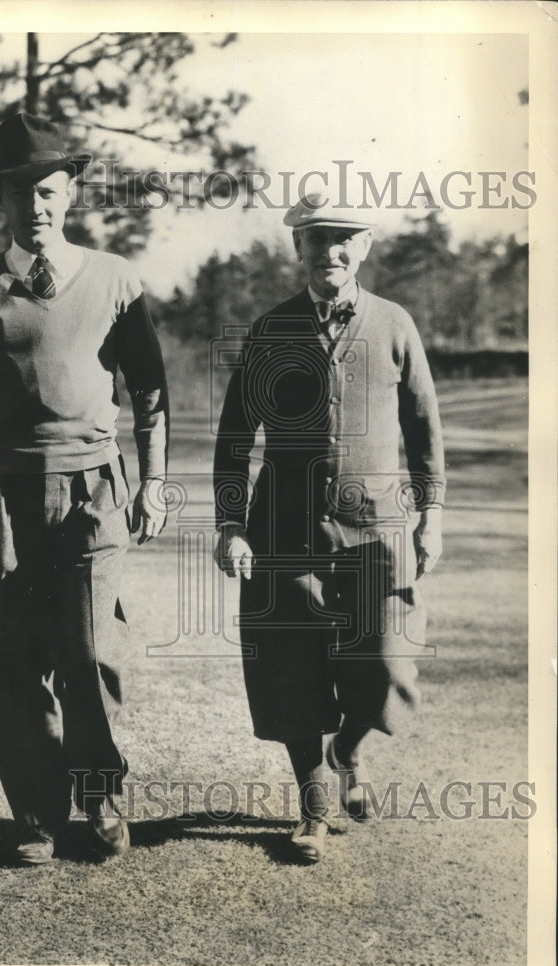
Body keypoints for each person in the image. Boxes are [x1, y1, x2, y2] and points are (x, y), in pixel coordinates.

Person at [0, 113, 169, 865]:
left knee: (87, 652)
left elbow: (148, 391)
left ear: (71, 189)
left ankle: (101, 797)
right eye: (19, 194)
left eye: (48, 190)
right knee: (11, 660)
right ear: (2, 202)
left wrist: (152, 481)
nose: (36, 206)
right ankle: (38, 816)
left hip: (94, 489)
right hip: (4, 494)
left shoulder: (116, 279)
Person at [213, 192, 445, 863]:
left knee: (382, 666)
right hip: (283, 535)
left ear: (365, 246)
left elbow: (423, 430)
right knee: (291, 674)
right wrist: (231, 523)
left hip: (375, 533)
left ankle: (347, 750)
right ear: (298, 251)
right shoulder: (270, 330)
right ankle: (313, 804)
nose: (330, 252)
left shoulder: (394, 324)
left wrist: (430, 516)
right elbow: (234, 438)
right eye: (316, 241)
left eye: (344, 239)